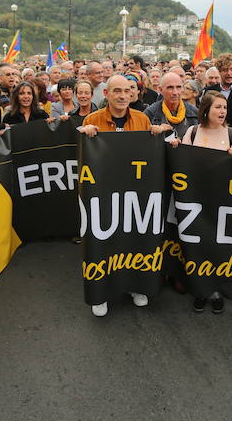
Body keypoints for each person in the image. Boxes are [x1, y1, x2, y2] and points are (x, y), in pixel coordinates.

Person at [78, 75, 153, 317]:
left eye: (126, 91)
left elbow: (153, 151)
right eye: (117, 91)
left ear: (133, 94)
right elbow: (81, 155)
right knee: (103, 241)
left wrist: (162, 133)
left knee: (133, 238)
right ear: (107, 95)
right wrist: (83, 132)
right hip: (104, 192)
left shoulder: (142, 119)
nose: (122, 96)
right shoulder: (93, 119)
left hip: (134, 192)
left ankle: (135, 286)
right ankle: (101, 293)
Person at [180, 91, 232, 314]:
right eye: (218, 107)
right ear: (206, 109)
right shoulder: (193, 131)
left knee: (218, 246)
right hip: (196, 200)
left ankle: (216, 291)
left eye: (225, 107)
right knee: (198, 246)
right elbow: (183, 163)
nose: (222, 111)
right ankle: (200, 289)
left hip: (222, 202)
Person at [144, 72, 199, 139]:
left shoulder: (194, 113)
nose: (175, 92)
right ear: (160, 90)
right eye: (170, 88)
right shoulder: (150, 113)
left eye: (178, 87)